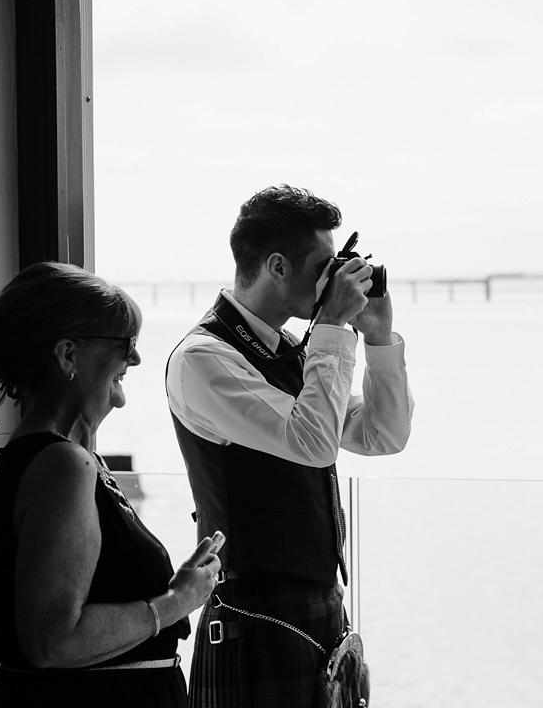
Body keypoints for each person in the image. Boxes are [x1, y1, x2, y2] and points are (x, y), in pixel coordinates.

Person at [166, 185, 414, 707]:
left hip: (317, 609)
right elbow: (314, 444)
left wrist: (377, 338)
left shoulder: (294, 353)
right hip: (250, 618)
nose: (337, 278)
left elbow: (382, 435)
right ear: (278, 267)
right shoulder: (204, 359)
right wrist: (329, 328)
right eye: (326, 265)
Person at [0, 262, 223, 708]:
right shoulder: (63, 465)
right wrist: (176, 602)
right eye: (125, 345)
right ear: (68, 356)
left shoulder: (60, 460)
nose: (137, 358)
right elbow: (53, 640)